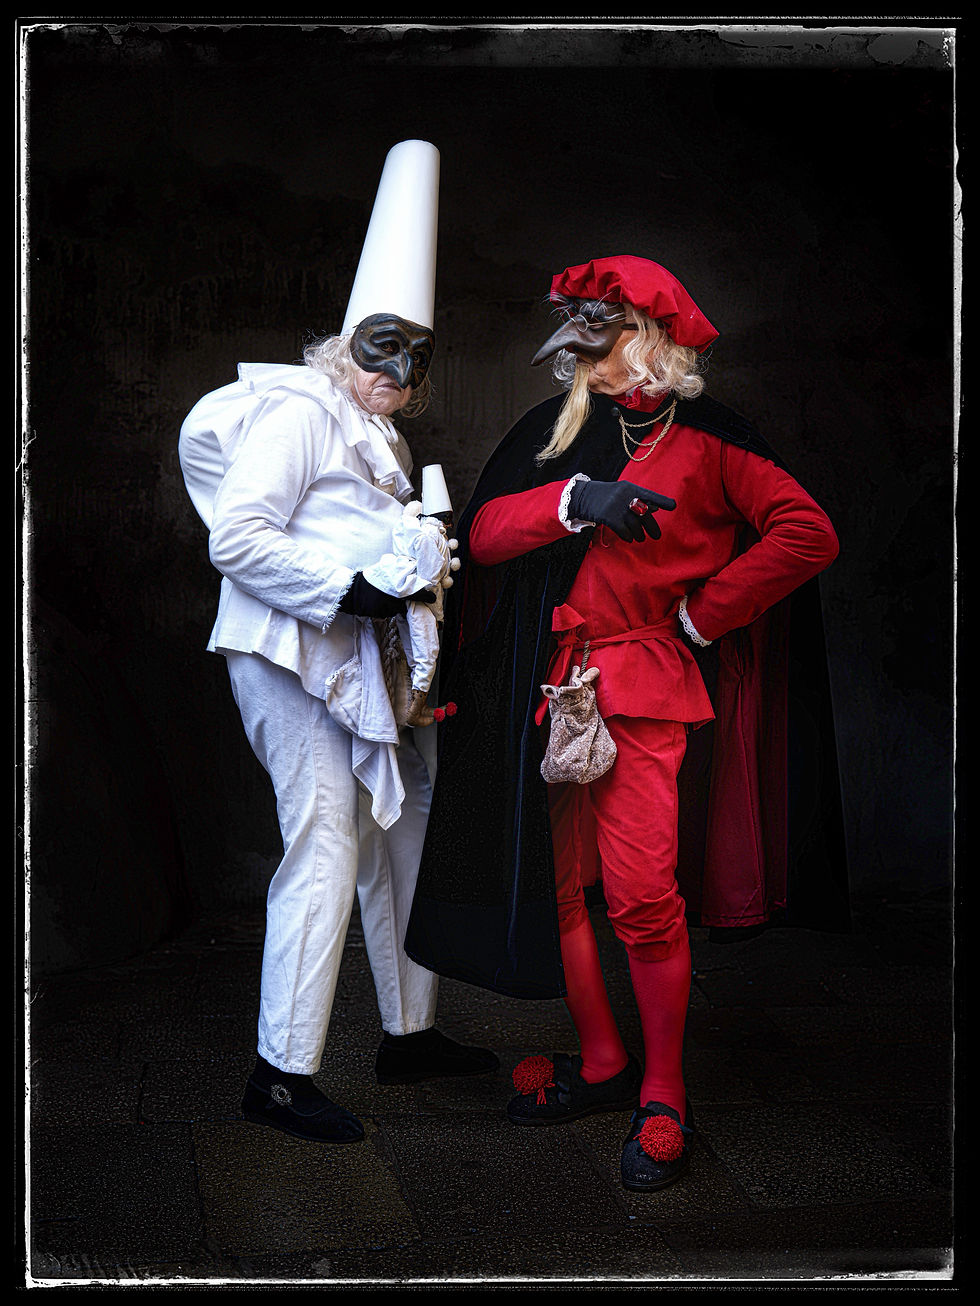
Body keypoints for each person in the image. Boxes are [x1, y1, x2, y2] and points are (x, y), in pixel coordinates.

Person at [405, 254, 845, 1191]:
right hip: (550, 683)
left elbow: (808, 533)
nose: (581, 365)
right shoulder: (564, 429)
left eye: (597, 347)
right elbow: (483, 536)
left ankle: (665, 1091)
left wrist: (702, 618)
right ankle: (604, 1060)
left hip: (644, 683)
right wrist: (573, 500)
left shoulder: (717, 445)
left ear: (651, 340)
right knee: (561, 887)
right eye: (576, 349)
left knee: (642, 897)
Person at [178, 140, 497, 1146]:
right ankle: (279, 1075)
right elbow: (238, 538)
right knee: (322, 842)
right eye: (381, 347)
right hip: (287, 653)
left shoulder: (384, 436)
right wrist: (346, 591)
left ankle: (410, 1033)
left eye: (415, 357)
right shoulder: (300, 411)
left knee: (401, 834)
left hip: (360, 664)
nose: (398, 371)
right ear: (341, 345)